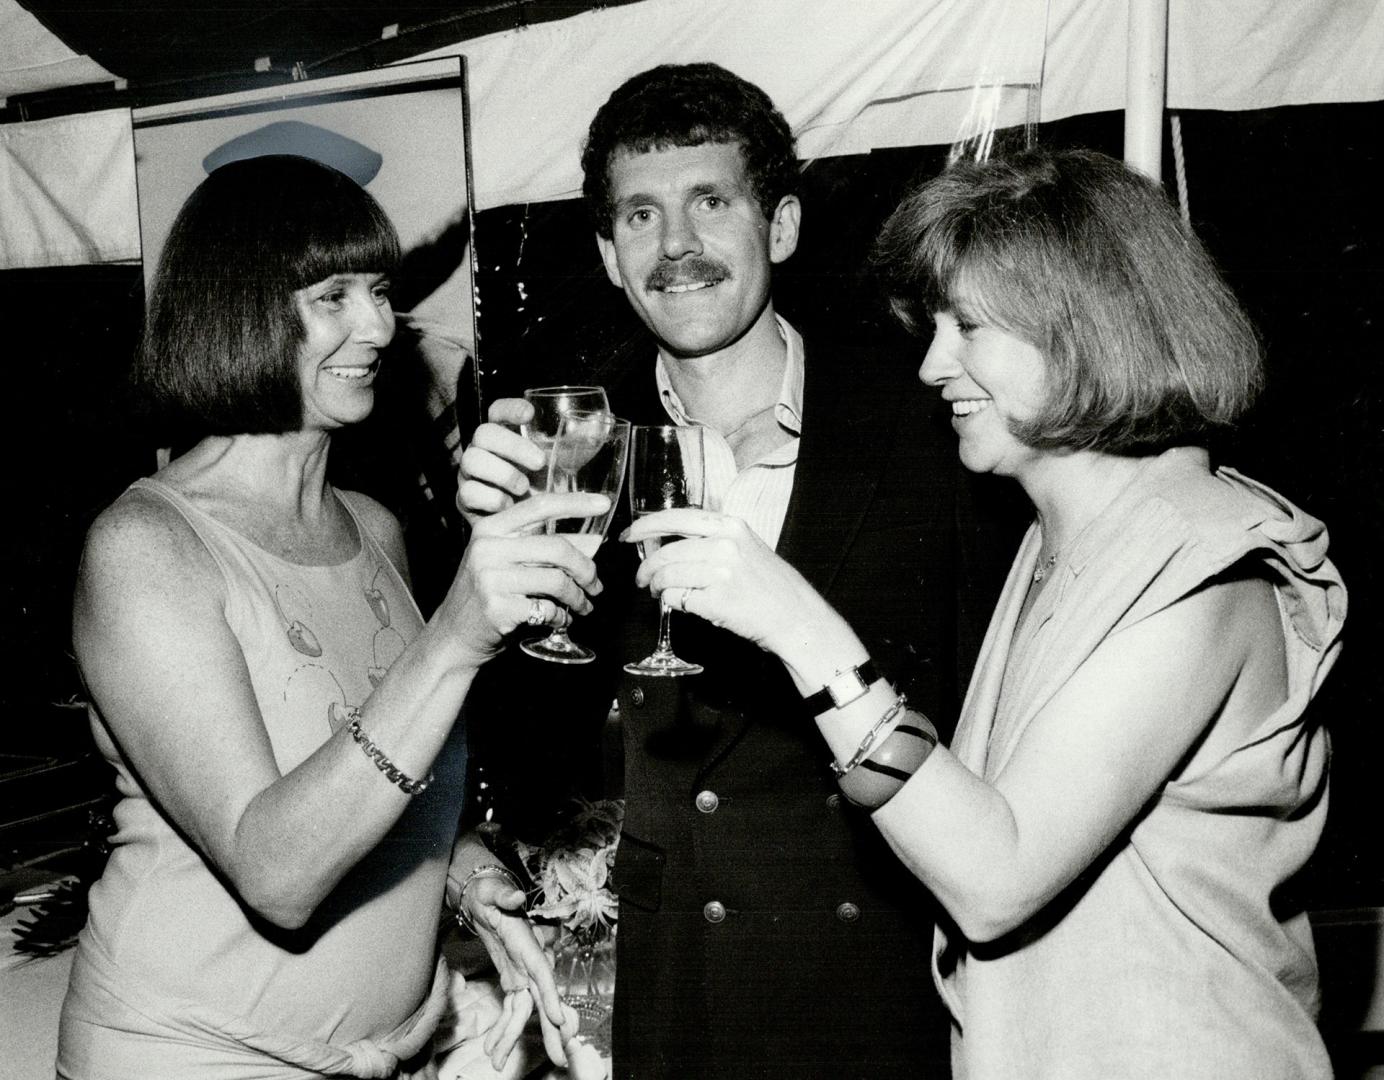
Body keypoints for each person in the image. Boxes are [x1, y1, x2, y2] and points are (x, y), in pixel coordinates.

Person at [635, 145, 1347, 1078]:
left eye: (968, 326)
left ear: (1086, 327)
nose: (932, 365)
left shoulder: (1197, 561)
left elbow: (996, 879)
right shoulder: (1062, 542)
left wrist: (800, 626)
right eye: (934, 325)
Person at [454, 63, 1016, 1078]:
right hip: (669, 1004)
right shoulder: (568, 448)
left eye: (710, 204)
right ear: (608, 256)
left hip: (875, 995)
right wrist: (494, 576)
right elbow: (529, 752)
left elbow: (998, 712)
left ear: (784, 227)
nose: (675, 247)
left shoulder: (926, 423)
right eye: (639, 216)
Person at [56, 154, 604, 1078]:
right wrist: (457, 637)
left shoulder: (374, 528)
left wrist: (469, 880)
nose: (381, 325)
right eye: (334, 296)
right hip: (194, 1055)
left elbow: (381, 775)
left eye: (382, 291)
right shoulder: (148, 545)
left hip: (382, 1052)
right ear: (238, 310)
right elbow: (276, 872)